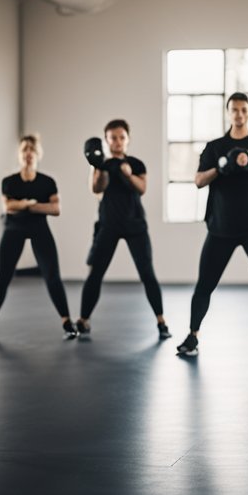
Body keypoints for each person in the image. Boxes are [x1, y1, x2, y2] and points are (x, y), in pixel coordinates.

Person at [177, 93, 248, 357]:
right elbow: (198, 181)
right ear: (228, 113)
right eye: (234, 110)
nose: (239, 114)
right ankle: (192, 336)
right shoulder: (215, 146)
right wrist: (221, 166)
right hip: (220, 229)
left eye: (243, 110)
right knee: (204, 284)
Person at [76, 119, 171, 340]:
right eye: (113, 138)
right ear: (106, 140)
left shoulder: (136, 164)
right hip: (108, 224)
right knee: (95, 273)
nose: (117, 141)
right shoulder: (101, 164)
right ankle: (83, 320)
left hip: (135, 224)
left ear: (127, 140)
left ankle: (161, 321)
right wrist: (97, 167)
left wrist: (128, 175)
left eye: (121, 137)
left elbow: (142, 188)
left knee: (147, 273)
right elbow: (96, 189)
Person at [0, 134, 77, 341]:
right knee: (4, 276)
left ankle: (67, 321)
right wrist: (34, 205)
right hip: (14, 229)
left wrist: (26, 204)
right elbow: (8, 207)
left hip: (39, 228)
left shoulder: (47, 182)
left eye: (32, 150)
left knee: (52, 275)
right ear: (20, 154)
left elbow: (56, 208)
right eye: (25, 149)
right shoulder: (9, 182)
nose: (28, 154)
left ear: (38, 154)